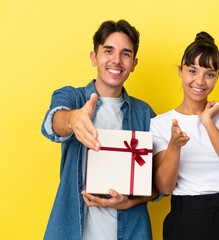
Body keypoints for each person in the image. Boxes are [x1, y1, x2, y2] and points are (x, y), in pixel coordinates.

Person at [41, 20, 158, 240]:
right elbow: (52, 123)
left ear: (134, 63)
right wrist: (73, 119)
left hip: (131, 231)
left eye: (125, 54)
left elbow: (159, 184)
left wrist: (131, 201)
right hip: (73, 231)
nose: (116, 60)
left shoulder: (144, 113)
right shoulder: (72, 97)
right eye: (108, 51)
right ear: (94, 57)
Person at [150, 32, 219, 240]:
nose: (200, 81)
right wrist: (174, 146)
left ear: (217, 77)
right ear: (180, 71)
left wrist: (207, 122)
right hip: (184, 219)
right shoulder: (161, 123)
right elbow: (164, 187)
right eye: (192, 71)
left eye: (210, 74)